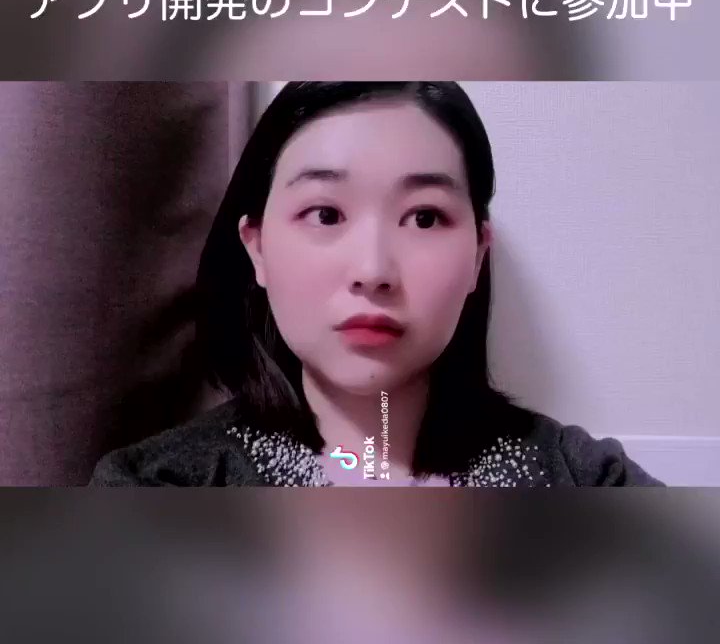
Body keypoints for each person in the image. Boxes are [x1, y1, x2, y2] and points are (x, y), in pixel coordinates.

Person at [89, 81, 663, 487]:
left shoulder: (583, 479)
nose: (373, 270)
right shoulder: (156, 486)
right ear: (257, 247)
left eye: (424, 218)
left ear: (476, 255)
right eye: (325, 214)